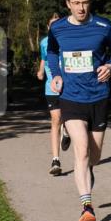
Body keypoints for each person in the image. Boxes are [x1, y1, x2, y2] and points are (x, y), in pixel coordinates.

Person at [47, 0, 111, 221]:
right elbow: (51, 53)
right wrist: (56, 73)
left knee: (95, 156)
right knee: (81, 151)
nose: (81, 8)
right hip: (71, 97)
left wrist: (110, 66)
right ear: (68, 3)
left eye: (85, 3)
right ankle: (87, 207)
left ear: (90, 2)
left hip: (98, 96)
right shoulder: (57, 28)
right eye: (76, 3)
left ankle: (87, 168)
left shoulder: (103, 26)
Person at [37, 13, 71, 175]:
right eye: (52, 24)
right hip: (51, 88)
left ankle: (67, 131)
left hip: (69, 88)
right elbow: (44, 58)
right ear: (48, 27)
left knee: (68, 119)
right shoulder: (44, 42)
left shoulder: (68, 41)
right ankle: (55, 160)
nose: (55, 26)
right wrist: (40, 71)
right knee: (56, 119)